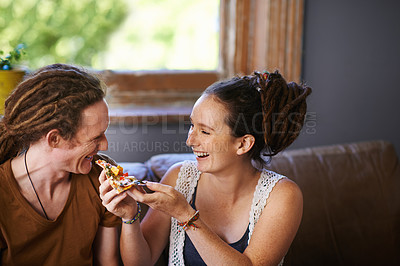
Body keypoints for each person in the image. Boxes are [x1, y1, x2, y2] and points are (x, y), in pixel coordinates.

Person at [99, 70, 312, 265]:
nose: (190, 140)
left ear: (243, 144)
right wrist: (130, 217)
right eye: (192, 125)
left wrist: (186, 215)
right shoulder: (179, 177)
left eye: (205, 132)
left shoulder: (282, 195)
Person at [0, 64, 121, 265]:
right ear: (54, 139)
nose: (105, 145)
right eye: (96, 137)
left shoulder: (101, 180)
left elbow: (108, 261)